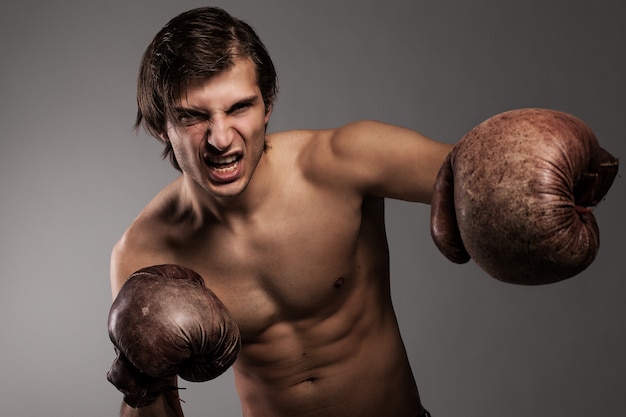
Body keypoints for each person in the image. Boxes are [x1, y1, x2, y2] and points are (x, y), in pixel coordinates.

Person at [109, 6, 453, 417]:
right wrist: (141, 381)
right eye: (194, 116)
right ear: (160, 125)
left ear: (267, 104)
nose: (221, 138)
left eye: (240, 107)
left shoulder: (344, 161)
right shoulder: (143, 253)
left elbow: (476, 173)